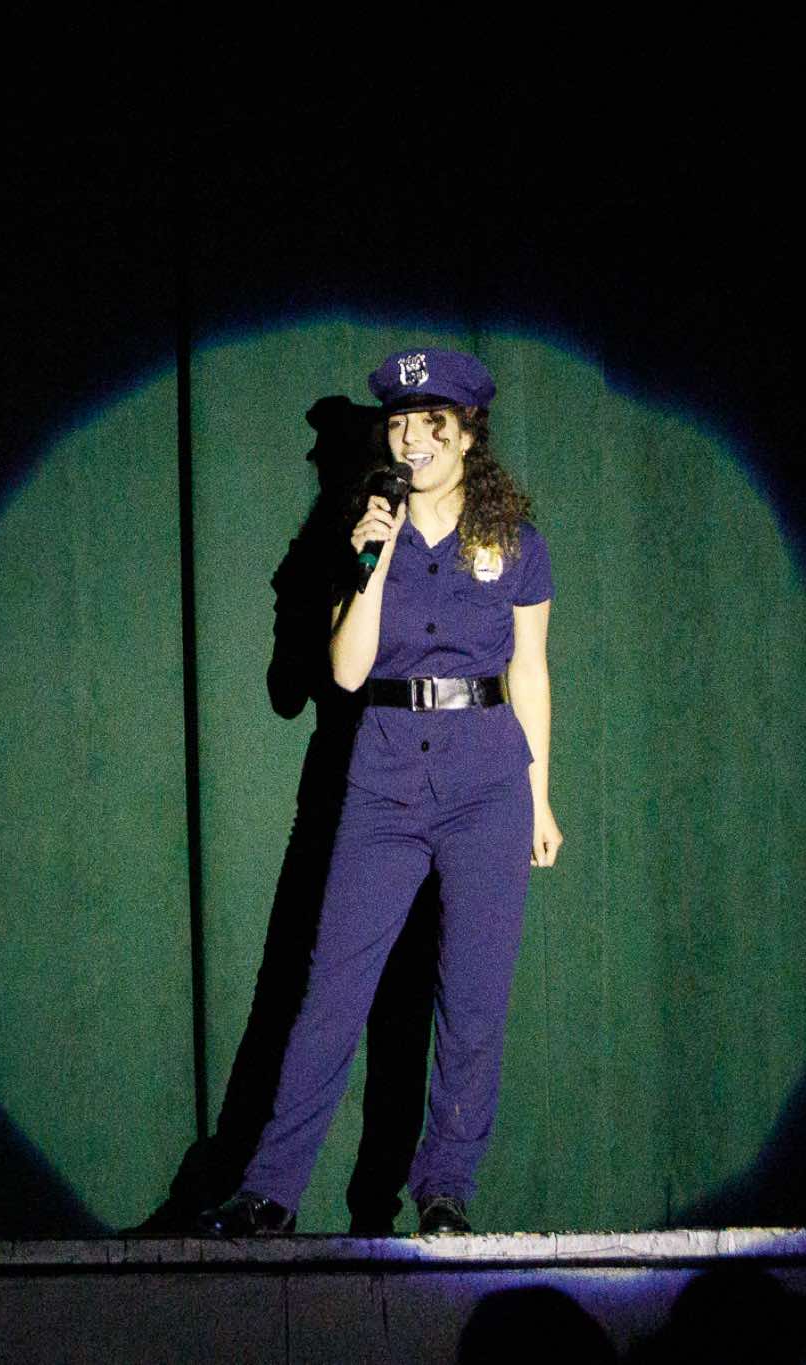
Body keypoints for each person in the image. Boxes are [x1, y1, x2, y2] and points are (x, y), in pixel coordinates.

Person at [197, 347, 560, 1237]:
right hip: (385, 776)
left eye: (432, 422)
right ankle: (271, 1190)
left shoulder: (515, 543)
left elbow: (530, 671)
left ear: (468, 434)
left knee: (472, 1001)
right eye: (399, 422)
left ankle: (445, 1190)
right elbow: (345, 672)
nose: (412, 437)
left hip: (486, 779)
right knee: (329, 991)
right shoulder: (361, 534)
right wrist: (373, 555)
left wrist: (541, 797)